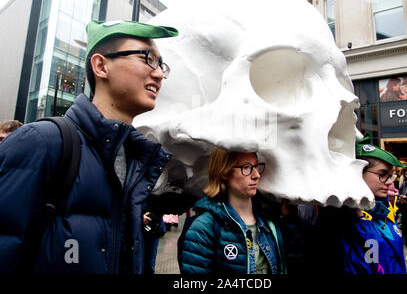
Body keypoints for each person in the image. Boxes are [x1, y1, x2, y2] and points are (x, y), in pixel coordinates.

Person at [0, 20, 178, 274]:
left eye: (161, 65)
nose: (159, 73)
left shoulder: (139, 159)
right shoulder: (42, 142)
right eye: (147, 58)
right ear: (101, 66)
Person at [306, 133, 407, 274]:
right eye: (382, 174)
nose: (390, 182)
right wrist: (361, 222)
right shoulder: (336, 220)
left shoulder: (382, 211)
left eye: (390, 175)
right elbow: (369, 263)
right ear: (357, 173)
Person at [178, 147, 286, 274]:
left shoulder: (270, 221)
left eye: (256, 166)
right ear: (224, 171)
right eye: (246, 167)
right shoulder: (203, 228)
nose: (256, 175)